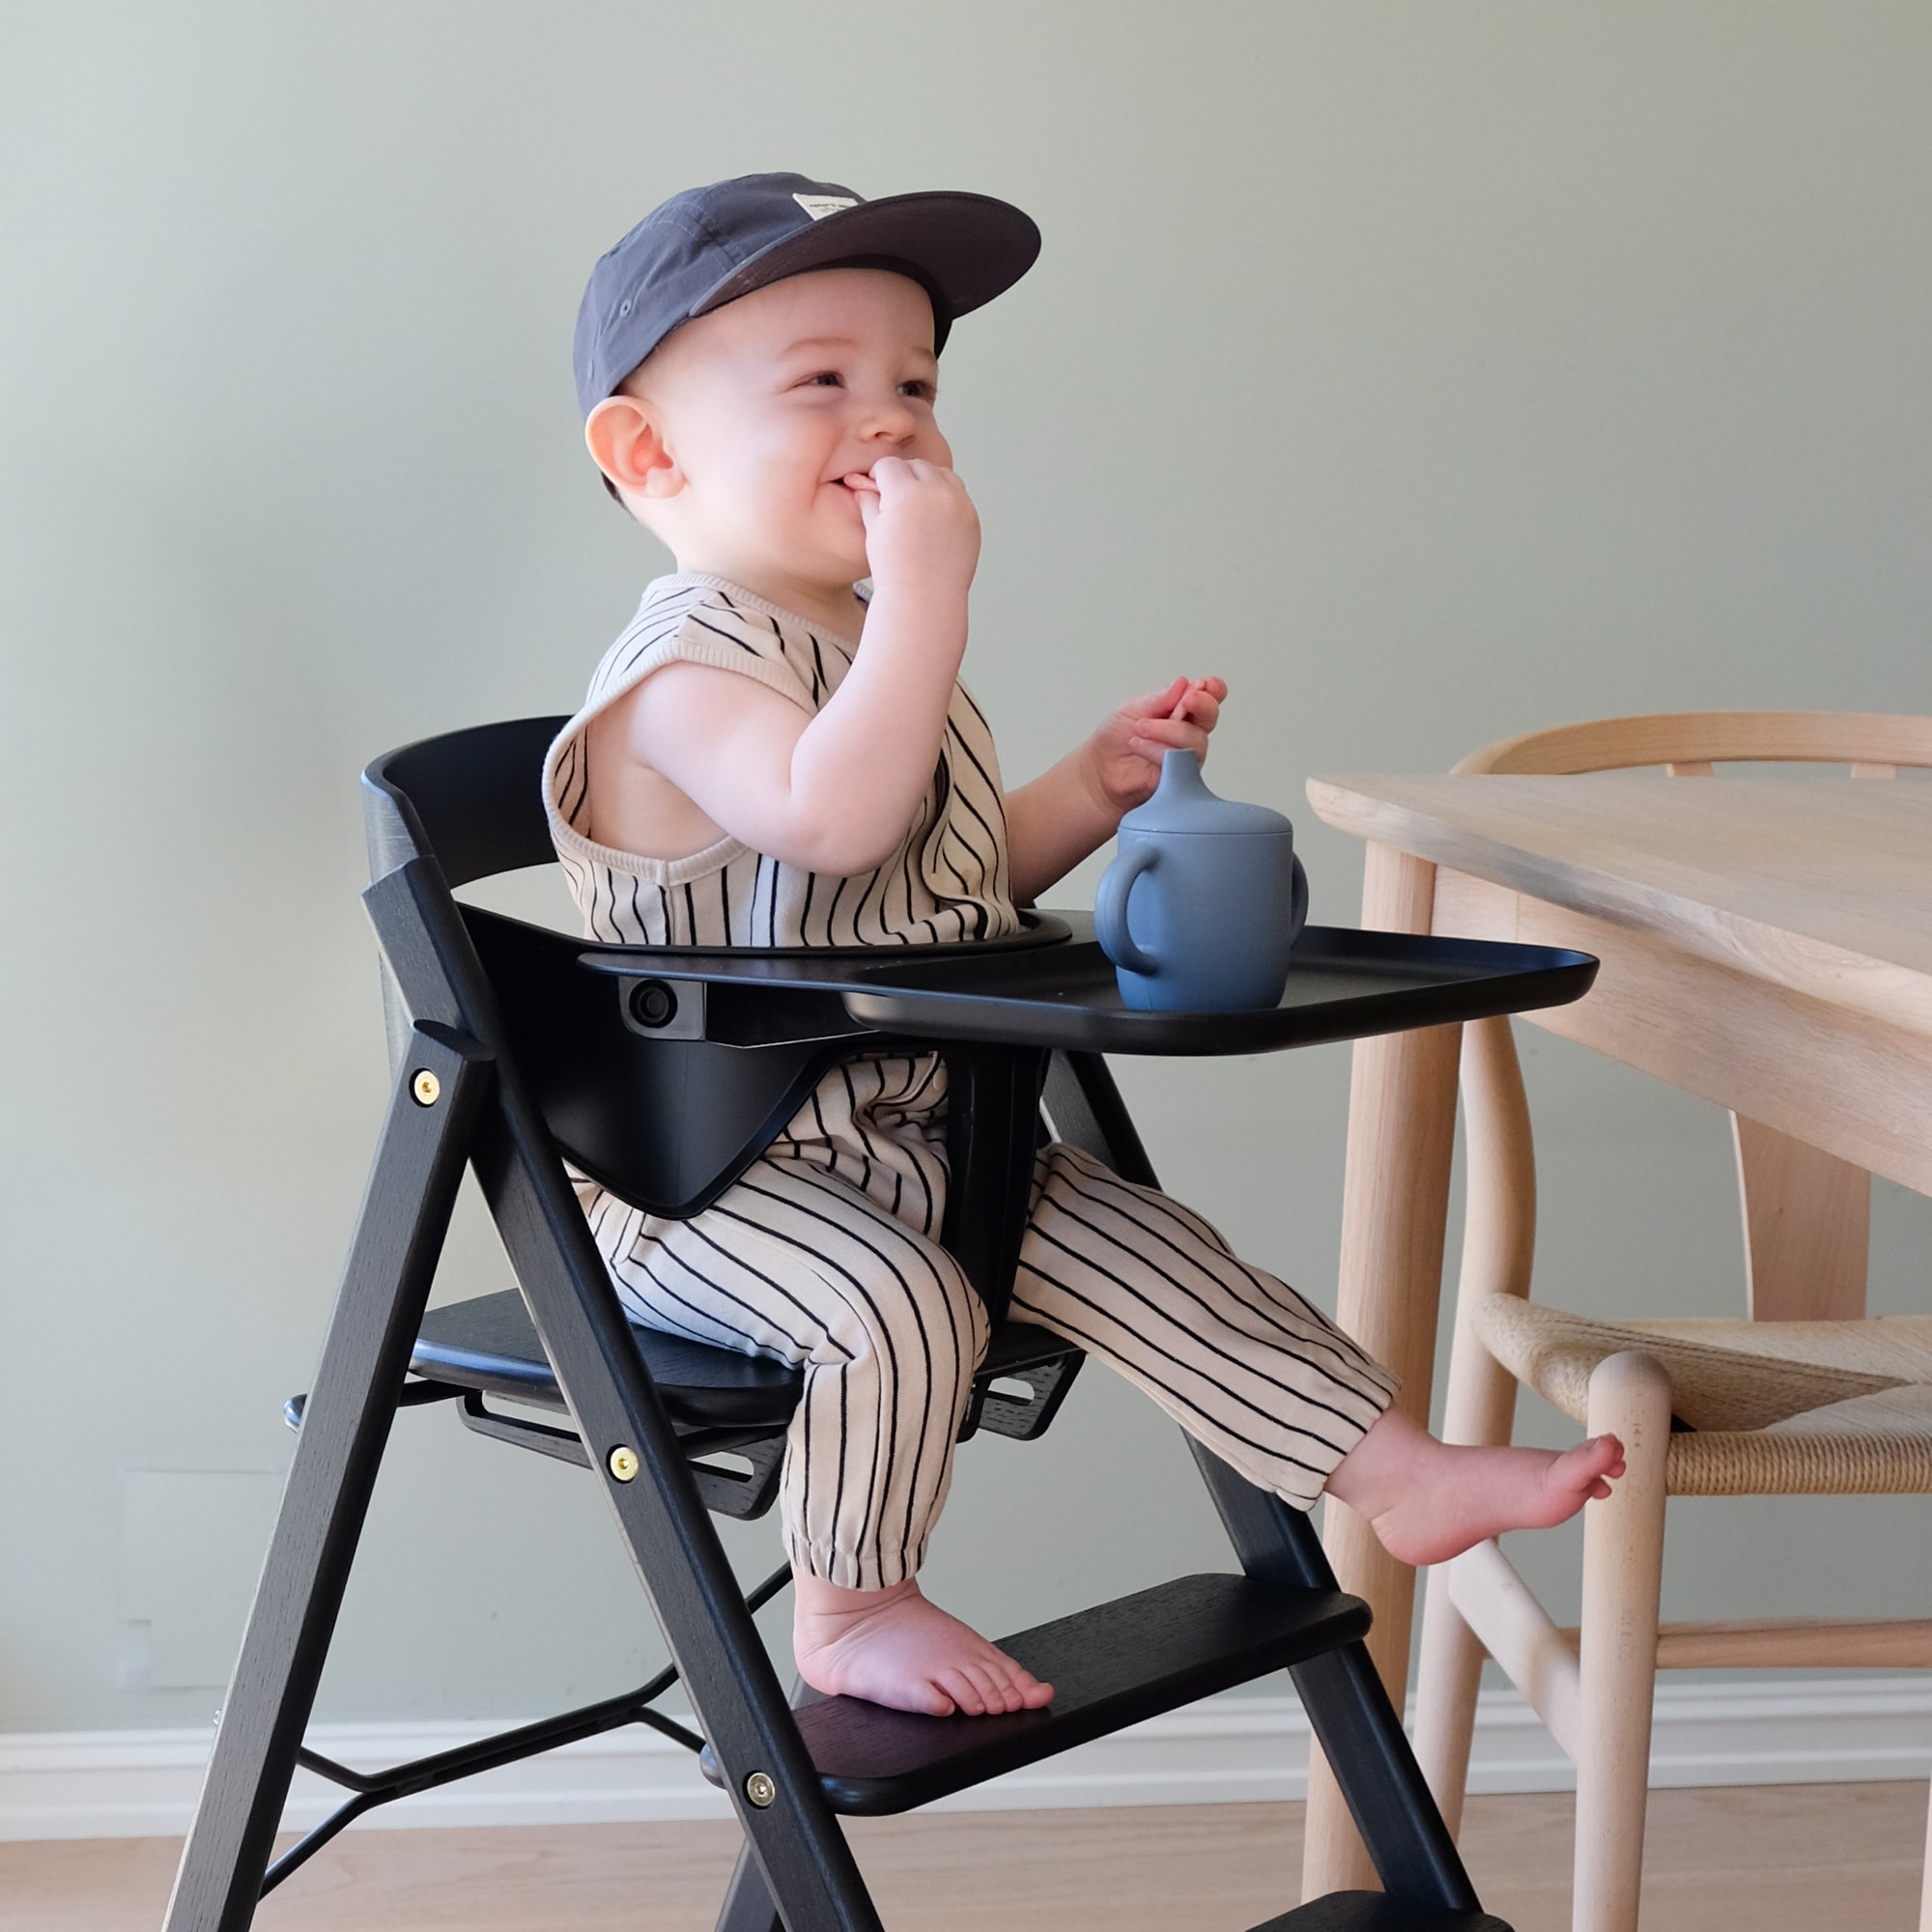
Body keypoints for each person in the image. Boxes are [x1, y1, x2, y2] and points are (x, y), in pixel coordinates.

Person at [545, 174, 1624, 1721]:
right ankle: (851, 1604)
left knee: (1149, 1245)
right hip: (707, 1183)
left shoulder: (865, 653)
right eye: (823, 382)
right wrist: (930, 594)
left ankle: (1398, 1475)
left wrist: (1084, 791)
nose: (891, 420)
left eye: (917, 385)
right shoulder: (680, 672)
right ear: (650, 453)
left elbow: (934, 886)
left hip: (914, 1139)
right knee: (901, 1305)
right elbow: (834, 823)